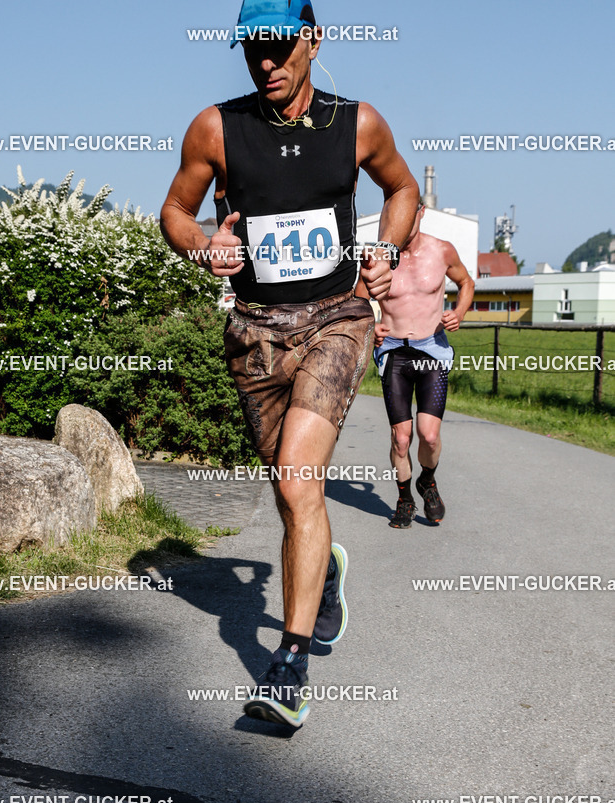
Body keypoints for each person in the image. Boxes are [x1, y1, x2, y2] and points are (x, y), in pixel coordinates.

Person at [161, 0, 419, 727]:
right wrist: (202, 244)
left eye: (278, 46)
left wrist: (386, 248)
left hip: (337, 318)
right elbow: (174, 210)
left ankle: (289, 666)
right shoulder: (215, 128)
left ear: (313, 39)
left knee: (298, 478)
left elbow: (402, 188)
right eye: (253, 50)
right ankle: (324, 566)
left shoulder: (357, 123)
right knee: (290, 491)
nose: (266, 62)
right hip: (255, 332)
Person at [373, 202, 474, 528]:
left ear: (421, 211)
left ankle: (427, 480)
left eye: (408, 212)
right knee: (401, 439)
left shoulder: (442, 251)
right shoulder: (378, 257)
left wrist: (459, 313)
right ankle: (404, 499)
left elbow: (467, 283)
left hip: (432, 350)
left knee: (428, 436)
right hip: (394, 351)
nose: (401, 220)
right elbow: (357, 300)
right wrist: (369, 327)